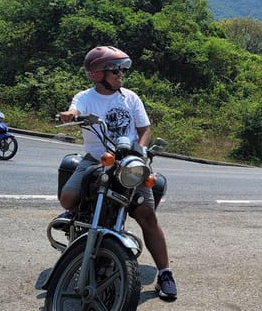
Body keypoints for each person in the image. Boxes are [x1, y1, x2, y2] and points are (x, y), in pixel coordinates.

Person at [57, 45, 178, 301]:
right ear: (97, 73)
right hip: (96, 159)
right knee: (68, 197)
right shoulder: (85, 97)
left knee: (146, 214)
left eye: (121, 69)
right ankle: (77, 218)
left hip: (130, 161)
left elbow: (144, 129)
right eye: (115, 69)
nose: (120, 74)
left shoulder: (130, 97)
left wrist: (142, 151)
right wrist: (70, 116)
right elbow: (75, 111)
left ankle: (165, 273)